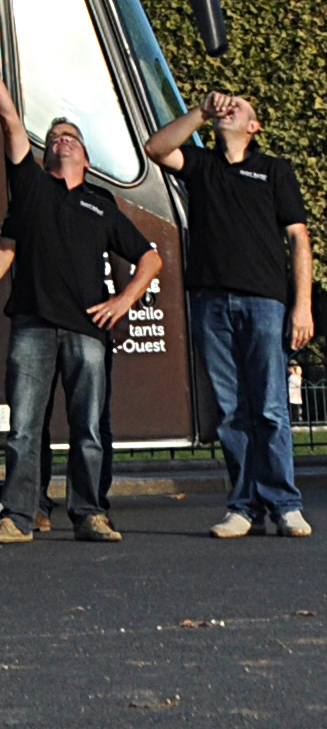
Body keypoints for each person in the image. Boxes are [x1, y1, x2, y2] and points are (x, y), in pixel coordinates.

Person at [0, 26, 160, 545]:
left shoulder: (102, 202)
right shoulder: (29, 186)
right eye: (54, 137)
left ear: (86, 156)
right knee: (24, 429)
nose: (60, 140)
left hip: (87, 329)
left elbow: (150, 257)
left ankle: (90, 513)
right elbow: (9, 123)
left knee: (90, 428)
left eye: (69, 137)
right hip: (32, 324)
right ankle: (19, 517)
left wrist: (123, 300)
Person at [146, 86, 313, 539]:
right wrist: (200, 111)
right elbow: (157, 148)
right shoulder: (203, 166)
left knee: (271, 407)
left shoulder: (275, 171)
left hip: (264, 301)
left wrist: (303, 305)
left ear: (254, 126)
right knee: (230, 409)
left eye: (240, 107)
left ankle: (284, 502)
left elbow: (299, 238)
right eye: (225, 104)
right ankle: (243, 506)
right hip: (210, 300)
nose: (229, 107)